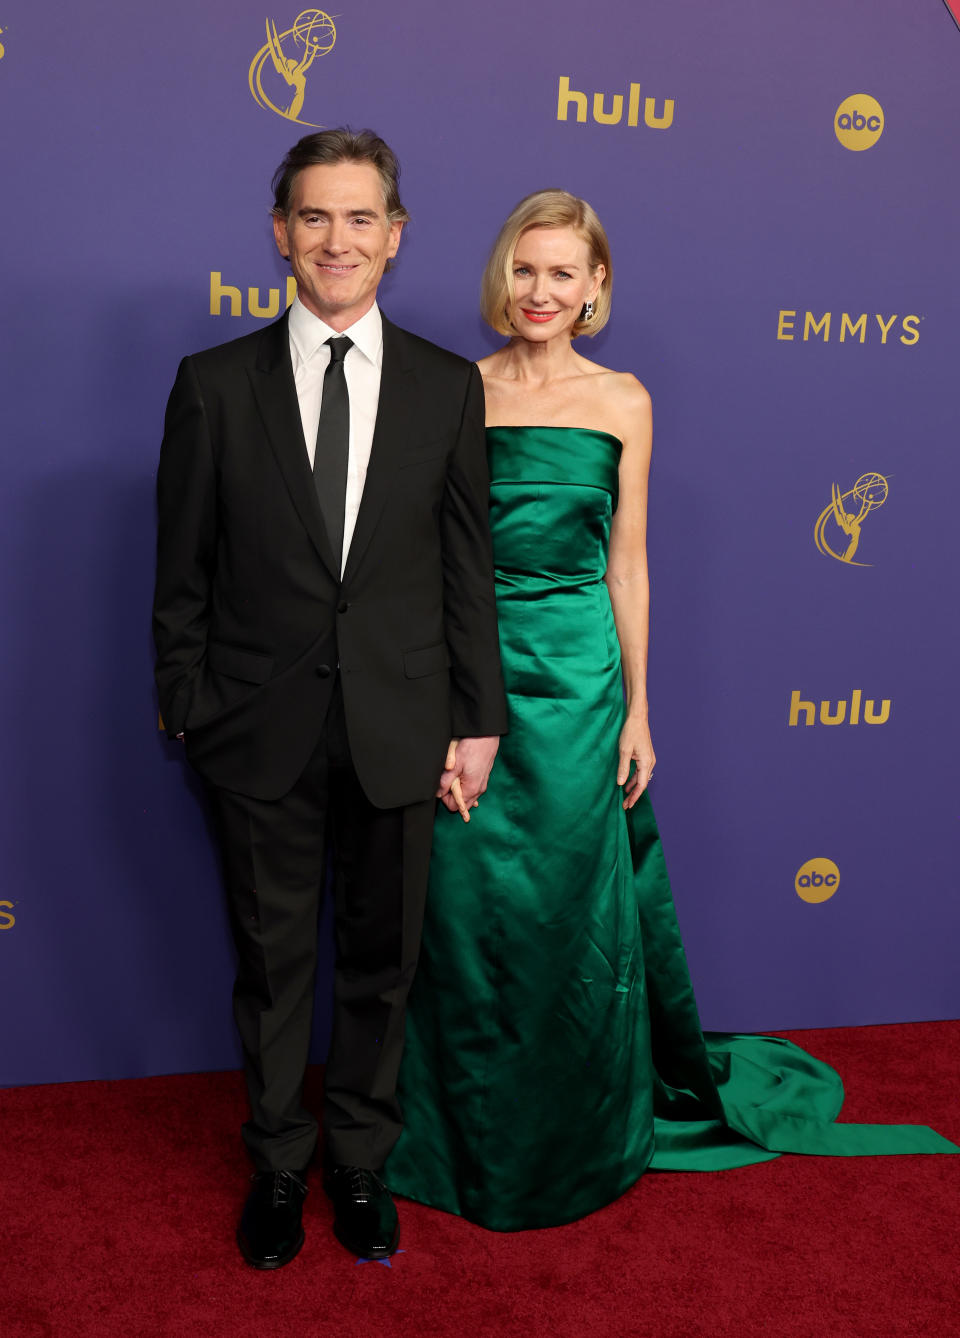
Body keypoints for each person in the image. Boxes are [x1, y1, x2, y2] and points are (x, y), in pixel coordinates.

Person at [385, 189, 958, 1232]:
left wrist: (640, 709)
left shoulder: (625, 400)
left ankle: (577, 1133)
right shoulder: (453, 389)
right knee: (465, 916)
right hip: (474, 678)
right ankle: (460, 1132)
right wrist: (436, 703)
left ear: (597, 286)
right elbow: (431, 564)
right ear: (498, 277)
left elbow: (628, 562)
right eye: (524, 269)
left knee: (564, 911)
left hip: (579, 681)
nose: (541, 291)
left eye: (564, 273)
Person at [152, 129, 507, 1267]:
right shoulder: (212, 386)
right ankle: (278, 1164)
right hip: (255, 732)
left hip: (403, 729)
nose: (337, 240)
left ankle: (356, 1162)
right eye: (315, 217)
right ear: (279, 235)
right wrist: (187, 705)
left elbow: (466, 572)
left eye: (361, 219)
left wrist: (479, 718)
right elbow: (182, 571)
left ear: (394, 238)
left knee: (379, 963)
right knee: (271, 968)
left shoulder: (450, 388)